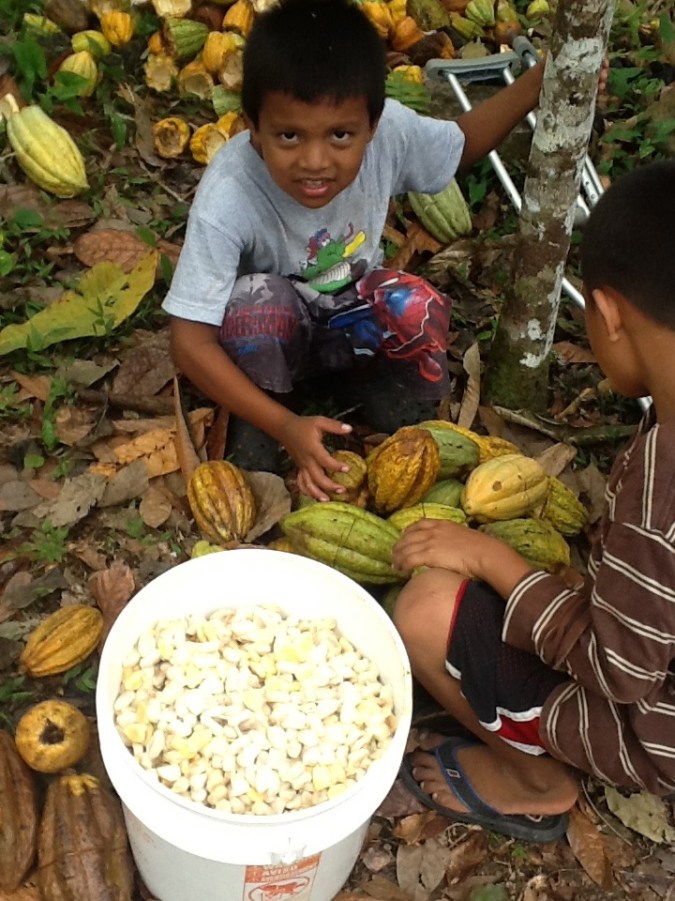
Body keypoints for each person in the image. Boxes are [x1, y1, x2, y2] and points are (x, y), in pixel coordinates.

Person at [391, 159, 675, 843]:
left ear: (605, 312)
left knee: (427, 611)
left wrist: (492, 558)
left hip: (651, 732)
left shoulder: (659, 492)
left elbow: (619, 669)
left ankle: (533, 781)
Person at [163, 0, 545, 500]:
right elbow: (190, 342)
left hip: (350, 319)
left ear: (374, 124)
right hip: (278, 338)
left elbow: (462, 144)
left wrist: (543, 82)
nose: (315, 161)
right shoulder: (229, 193)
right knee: (257, 301)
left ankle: (372, 379)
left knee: (414, 300)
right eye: (289, 136)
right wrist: (284, 426)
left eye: (341, 135)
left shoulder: (390, 135)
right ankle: (263, 411)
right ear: (252, 127)